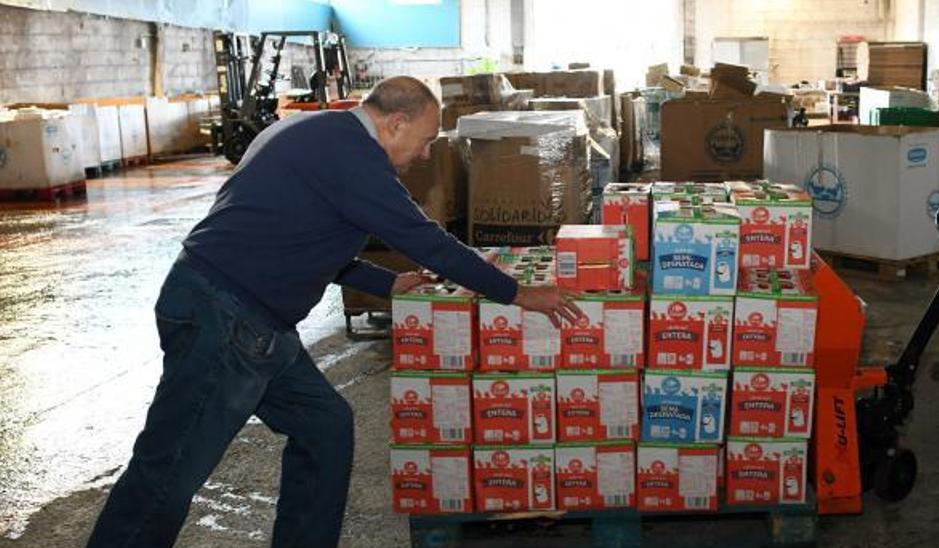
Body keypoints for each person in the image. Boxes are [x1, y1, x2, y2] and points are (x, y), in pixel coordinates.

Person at [87, 76, 584, 547]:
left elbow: (306, 239)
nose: (427, 152)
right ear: (395, 124)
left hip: (247, 317)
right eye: (427, 138)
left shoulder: (314, 131)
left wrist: (389, 284)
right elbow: (426, 241)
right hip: (228, 316)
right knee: (169, 470)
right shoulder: (354, 157)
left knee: (324, 427)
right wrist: (519, 293)